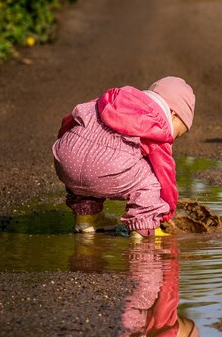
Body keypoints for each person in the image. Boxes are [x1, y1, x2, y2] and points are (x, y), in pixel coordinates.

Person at [52, 76, 195, 237]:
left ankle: (86, 218)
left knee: (85, 164)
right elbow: (165, 174)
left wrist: (66, 144)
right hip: (108, 169)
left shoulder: (111, 99)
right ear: (173, 114)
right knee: (151, 180)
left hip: (67, 158)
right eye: (177, 133)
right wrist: (165, 213)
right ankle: (143, 227)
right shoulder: (158, 124)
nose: (172, 138)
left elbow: (71, 119)